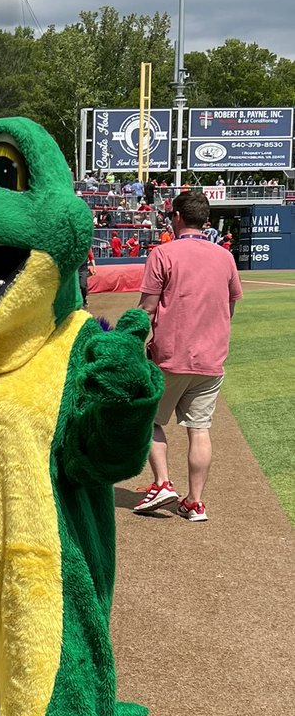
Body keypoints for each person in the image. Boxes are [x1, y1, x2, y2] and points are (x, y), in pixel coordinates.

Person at [133, 190, 243, 522]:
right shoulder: (224, 256)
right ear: (205, 220)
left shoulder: (163, 253)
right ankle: (195, 503)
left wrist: (132, 341)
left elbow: (147, 308)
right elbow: (231, 304)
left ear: (177, 217)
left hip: (171, 356)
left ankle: (163, 483)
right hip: (211, 359)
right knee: (199, 429)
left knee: (148, 420)